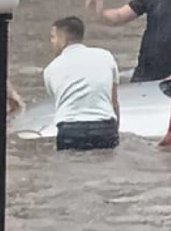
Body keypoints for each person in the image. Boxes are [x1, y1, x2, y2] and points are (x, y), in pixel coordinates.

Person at [43, 16, 121, 151]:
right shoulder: (105, 56)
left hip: (70, 129)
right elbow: (114, 103)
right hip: (104, 127)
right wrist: (114, 133)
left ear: (63, 40)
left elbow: (59, 103)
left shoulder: (51, 69)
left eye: (53, 37)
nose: (52, 42)